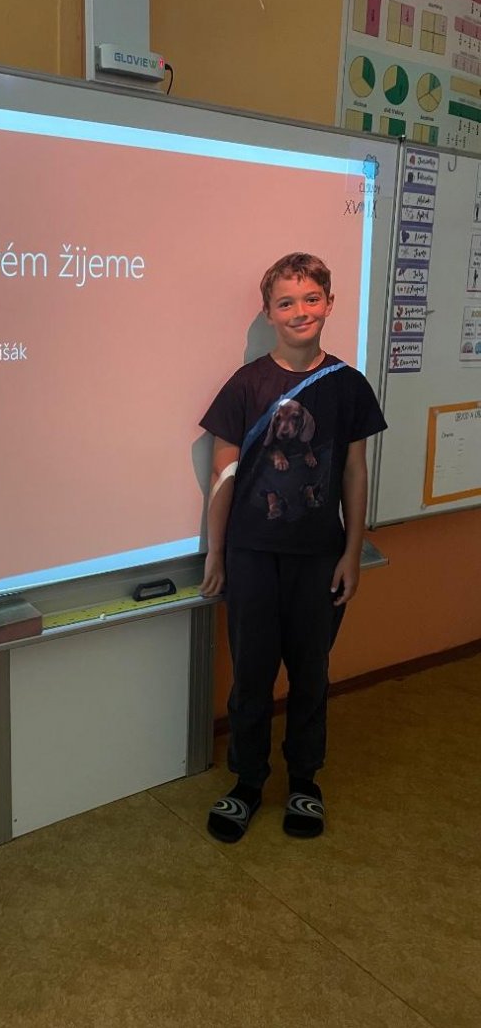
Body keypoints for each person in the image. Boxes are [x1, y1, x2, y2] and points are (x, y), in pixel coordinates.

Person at [199, 253, 386, 843]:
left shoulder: (349, 386)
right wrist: (216, 553)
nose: (300, 311)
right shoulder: (246, 384)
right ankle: (247, 782)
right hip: (252, 555)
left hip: (320, 559)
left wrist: (352, 552)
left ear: (329, 304)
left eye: (311, 299)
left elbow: (354, 471)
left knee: (311, 674)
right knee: (252, 676)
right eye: (286, 302)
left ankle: (305, 780)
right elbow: (223, 474)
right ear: (269, 312)